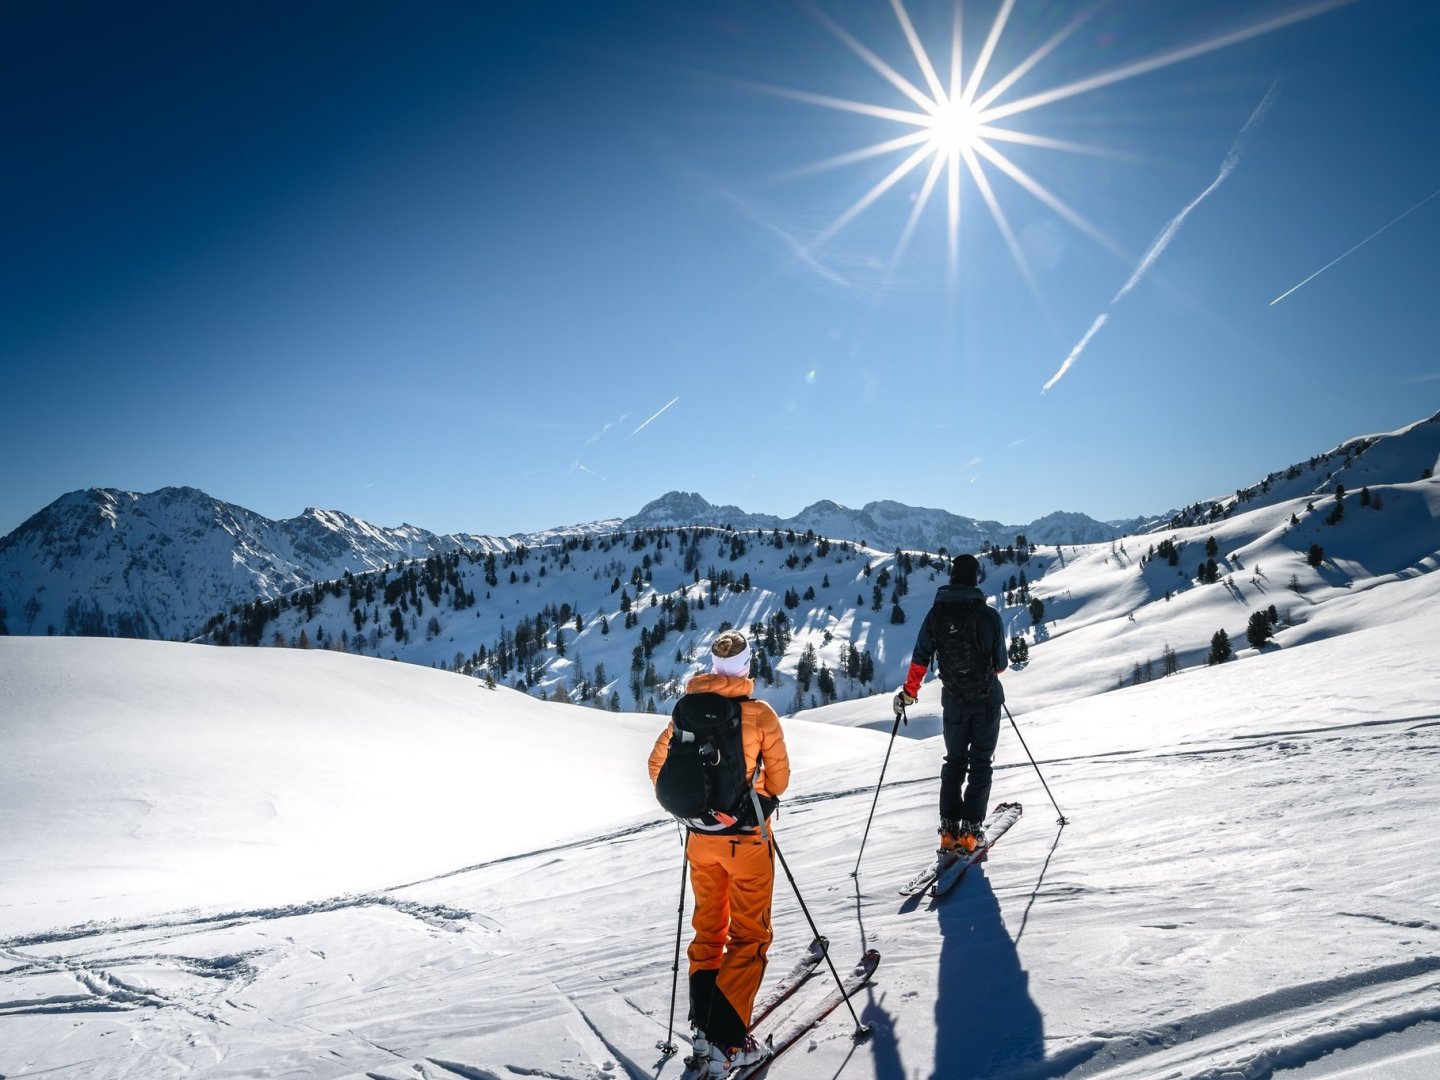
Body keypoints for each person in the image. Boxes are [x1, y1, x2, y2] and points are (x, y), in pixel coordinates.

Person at [649, 629, 790, 1077]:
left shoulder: (684, 713)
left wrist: (699, 812)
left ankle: (703, 1030)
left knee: (709, 930)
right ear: (747, 667)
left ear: (712, 666)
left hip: (700, 843)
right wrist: (754, 803)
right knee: (750, 937)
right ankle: (729, 1043)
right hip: (747, 841)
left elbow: (657, 767)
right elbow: (780, 781)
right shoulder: (759, 714)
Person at [892, 552, 1007, 853]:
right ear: (975, 579)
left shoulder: (936, 615)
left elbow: (919, 658)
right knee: (981, 763)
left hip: (954, 702)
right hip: (985, 701)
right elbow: (1001, 665)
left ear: (952, 578)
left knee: (954, 762)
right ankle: (970, 833)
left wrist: (909, 692)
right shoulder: (989, 616)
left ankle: (948, 831)